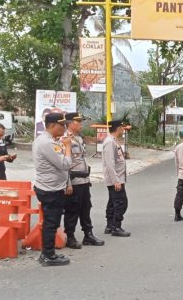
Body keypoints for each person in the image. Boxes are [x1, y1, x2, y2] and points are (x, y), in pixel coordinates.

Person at [33, 112, 73, 266]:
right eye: (61, 125)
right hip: (50, 189)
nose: (64, 128)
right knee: (51, 222)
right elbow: (65, 164)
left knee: (52, 221)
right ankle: (48, 254)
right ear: (51, 126)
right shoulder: (47, 143)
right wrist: (68, 147)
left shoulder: (47, 141)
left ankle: (48, 253)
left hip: (50, 186)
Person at [62, 112, 105, 248]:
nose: (81, 124)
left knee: (86, 208)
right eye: (78, 122)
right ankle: (70, 236)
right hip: (73, 181)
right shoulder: (64, 140)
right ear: (69, 123)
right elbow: (63, 164)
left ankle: (88, 234)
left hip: (84, 180)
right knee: (72, 209)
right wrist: (67, 183)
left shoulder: (79, 139)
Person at [102, 119, 130, 237]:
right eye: (122, 128)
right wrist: (116, 181)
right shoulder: (109, 142)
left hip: (118, 177)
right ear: (118, 128)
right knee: (121, 202)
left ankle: (110, 225)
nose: (123, 130)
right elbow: (109, 163)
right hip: (116, 179)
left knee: (113, 202)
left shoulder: (113, 140)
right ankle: (116, 227)